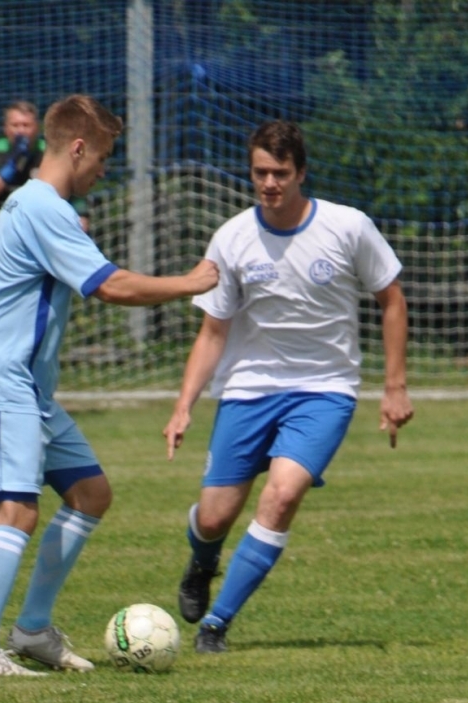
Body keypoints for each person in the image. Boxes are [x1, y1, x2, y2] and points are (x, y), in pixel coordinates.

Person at [0, 94, 218, 677]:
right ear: (77, 147)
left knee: (90, 494)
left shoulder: (31, 204)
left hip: (28, 388)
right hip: (1, 379)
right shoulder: (44, 207)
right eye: (103, 156)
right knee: (16, 510)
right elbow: (110, 285)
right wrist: (191, 282)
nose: (104, 169)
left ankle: (32, 631)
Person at [163, 120, 412, 654]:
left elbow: (391, 298)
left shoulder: (348, 227)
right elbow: (213, 331)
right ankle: (201, 563)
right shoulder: (231, 238)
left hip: (325, 390)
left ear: (301, 172)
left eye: (280, 173)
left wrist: (395, 388)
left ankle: (216, 625)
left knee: (281, 497)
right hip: (249, 388)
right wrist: (183, 406)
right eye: (260, 173)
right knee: (213, 517)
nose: (269, 183)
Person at [0, 100, 90, 231]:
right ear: (6, 128)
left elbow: (74, 192)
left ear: (37, 127)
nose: (21, 131)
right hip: (5, 228)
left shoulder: (50, 152)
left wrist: (81, 218)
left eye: (26, 125)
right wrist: (9, 169)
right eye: (15, 125)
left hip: (45, 228)